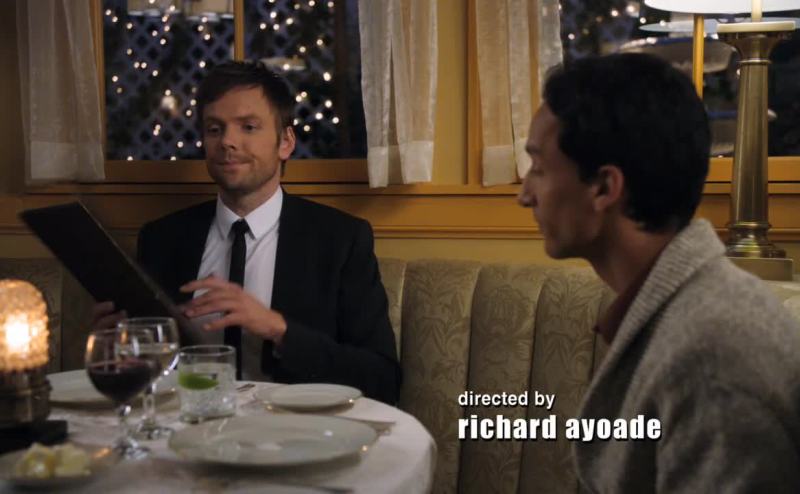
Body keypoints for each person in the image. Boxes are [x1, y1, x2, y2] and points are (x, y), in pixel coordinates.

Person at [517, 53, 800, 491]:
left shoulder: (712, 357)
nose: (524, 195)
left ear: (604, 187)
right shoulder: (683, 312)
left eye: (538, 168)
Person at [101, 61, 400, 404]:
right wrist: (117, 347)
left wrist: (278, 329)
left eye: (248, 127)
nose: (227, 141)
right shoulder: (161, 238)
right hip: (189, 424)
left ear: (285, 142)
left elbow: (382, 380)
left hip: (294, 430)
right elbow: (148, 375)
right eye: (214, 129)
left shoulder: (341, 240)